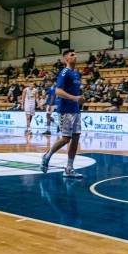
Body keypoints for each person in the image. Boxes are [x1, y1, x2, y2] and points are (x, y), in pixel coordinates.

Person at [41, 49, 85, 178]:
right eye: (72, 55)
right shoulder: (64, 72)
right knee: (66, 138)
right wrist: (75, 98)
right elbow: (58, 91)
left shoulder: (76, 74)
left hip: (75, 110)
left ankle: (69, 168)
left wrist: (79, 99)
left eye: (75, 54)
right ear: (66, 59)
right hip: (65, 110)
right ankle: (47, 155)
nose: (75, 56)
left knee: (76, 138)